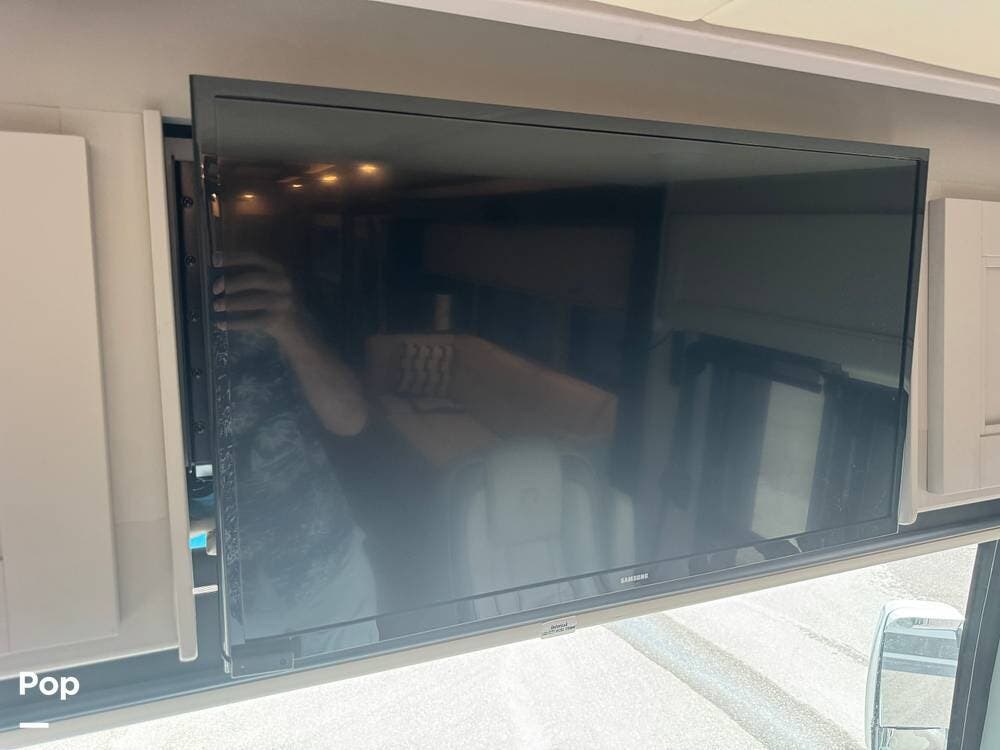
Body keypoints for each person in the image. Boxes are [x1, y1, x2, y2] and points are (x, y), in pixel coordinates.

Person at [213, 243, 379, 658]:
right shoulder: (136, 332)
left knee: (363, 691)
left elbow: (350, 418)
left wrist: (288, 324)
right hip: (217, 594)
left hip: (329, 566)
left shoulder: (272, 308)